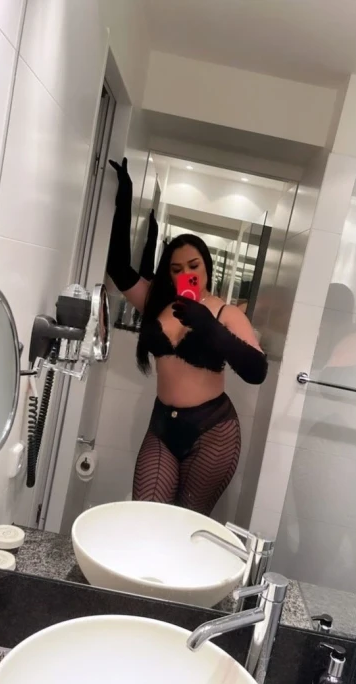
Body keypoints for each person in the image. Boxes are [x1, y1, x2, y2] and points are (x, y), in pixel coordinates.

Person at [107, 158, 268, 515]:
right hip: (162, 425)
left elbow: (257, 370)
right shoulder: (157, 302)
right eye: (176, 269)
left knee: (186, 524)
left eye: (193, 266)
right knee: (147, 516)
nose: (186, 274)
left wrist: (208, 325)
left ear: (207, 267)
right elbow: (117, 267)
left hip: (214, 432)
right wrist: (126, 196)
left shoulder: (227, 313)